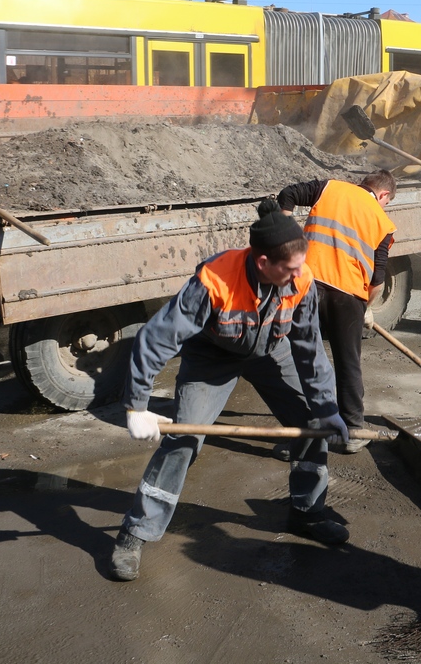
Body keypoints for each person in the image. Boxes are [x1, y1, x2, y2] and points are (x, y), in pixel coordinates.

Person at [106, 204, 350, 582]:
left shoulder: (300, 279)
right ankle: (136, 532)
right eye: (290, 269)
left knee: (310, 425)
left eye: (301, 266)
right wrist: (136, 406)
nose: (300, 274)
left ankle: (308, 511)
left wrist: (328, 406)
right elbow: (155, 339)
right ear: (264, 261)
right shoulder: (214, 280)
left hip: (272, 348)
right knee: (185, 438)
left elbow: (309, 346)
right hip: (213, 356)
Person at [276, 170, 397, 455]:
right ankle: (353, 430)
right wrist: (366, 308)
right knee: (348, 362)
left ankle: (304, 433)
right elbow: (377, 280)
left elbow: (288, 193)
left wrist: (285, 229)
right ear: (383, 195)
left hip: (306, 284)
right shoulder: (384, 222)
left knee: (303, 358)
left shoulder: (329, 188)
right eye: (386, 202)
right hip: (349, 296)